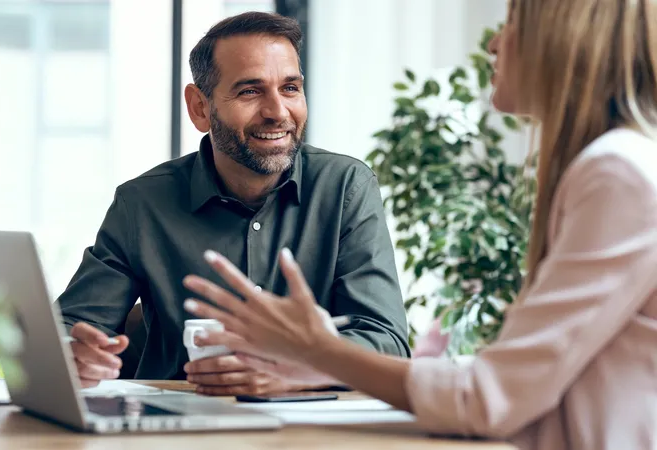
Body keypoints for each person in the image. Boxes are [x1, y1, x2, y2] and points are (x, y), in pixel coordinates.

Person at [181, 0, 657, 448]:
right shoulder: (614, 167)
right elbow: (523, 378)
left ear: (563, 38)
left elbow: (490, 398)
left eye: (511, 22)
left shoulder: (618, 174)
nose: (493, 44)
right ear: (201, 107)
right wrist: (319, 364)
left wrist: (318, 352)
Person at [56, 11, 410, 396]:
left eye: (290, 88)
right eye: (250, 91)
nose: (278, 112)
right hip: (178, 420)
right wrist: (74, 354)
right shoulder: (142, 203)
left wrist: (298, 367)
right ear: (200, 107)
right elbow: (70, 327)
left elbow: (386, 340)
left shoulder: (346, 188)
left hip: (307, 426)